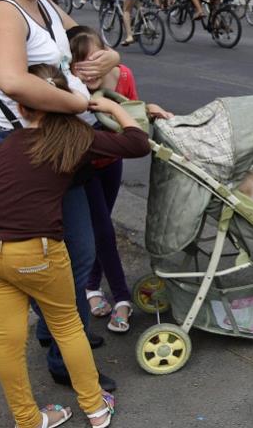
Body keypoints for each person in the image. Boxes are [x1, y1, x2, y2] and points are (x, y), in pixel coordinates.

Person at [0, 0, 123, 396]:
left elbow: (86, 38)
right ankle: (64, 356)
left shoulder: (41, 3)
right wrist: (77, 102)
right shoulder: (3, 11)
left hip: (57, 145)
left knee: (75, 252)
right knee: (66, 258)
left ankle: (56, 332)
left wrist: (109, 57)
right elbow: (13, 80)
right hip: (29, 151)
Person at [0, 62, 143, 428]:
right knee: (67, 327)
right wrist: (112, 108)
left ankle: (28, 420)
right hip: (36, 249)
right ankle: (96, 409)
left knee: (8, 340)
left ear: (21, 107)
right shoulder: (74, 138)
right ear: (65, 100)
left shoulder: (7, 145)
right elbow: (137, 143)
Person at [66, 27, 173, 332]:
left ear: (106, 56)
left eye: (95, 61)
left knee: (102, 228)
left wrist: (150, 111)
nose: (89, 71)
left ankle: (91, 285)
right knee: (103, 231)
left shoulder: (123, 75)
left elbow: (132, 114)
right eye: (79, 65)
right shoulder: (70, 89)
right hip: (83, 166)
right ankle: (122, 298)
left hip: (112, 163)